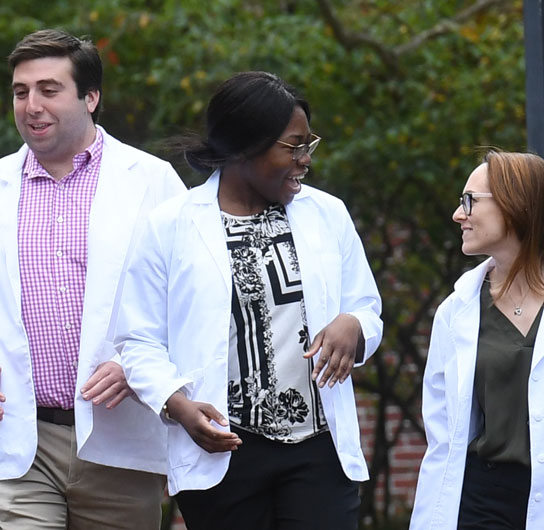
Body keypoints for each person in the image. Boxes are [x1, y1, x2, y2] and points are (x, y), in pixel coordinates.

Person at [0, 29, 189, 529]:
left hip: (117, 443)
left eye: (48, 89)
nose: (31, 105)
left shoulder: (153, 183)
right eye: (21, 92)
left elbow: (191, 298)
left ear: (91, 97)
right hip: (18, 439)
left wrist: (139, 363)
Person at [109, 71, 383, 529]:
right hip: (223, 449)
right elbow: (137, 340)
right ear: (242, 146)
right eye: (292, 147)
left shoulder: (326, 215)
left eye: (307, 146)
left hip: (318, 447)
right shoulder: (170, 225)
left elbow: (367, 309)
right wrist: (176, 403)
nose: (304, 161)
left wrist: (353, 325)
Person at [407, 151, 544, 530]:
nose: (458, 215)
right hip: (479, 503)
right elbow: (443, 437)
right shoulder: (455, 311)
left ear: (515, 206)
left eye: (469, 201)